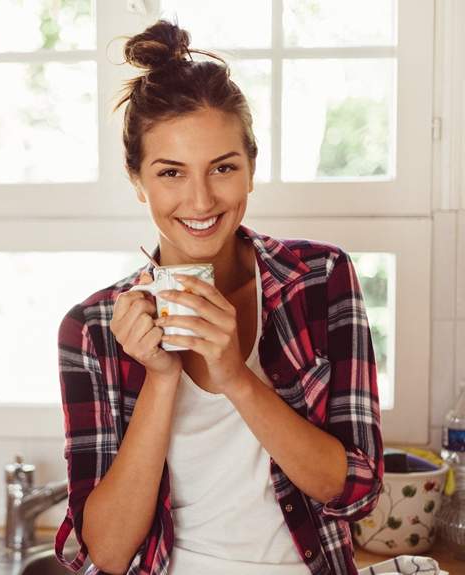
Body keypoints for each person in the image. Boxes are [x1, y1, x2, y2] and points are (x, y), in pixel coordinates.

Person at [53, 19, 384, 575]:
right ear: (137, 180)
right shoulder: (91, 330)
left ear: (252, 167)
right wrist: (161, 378)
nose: (200, 199)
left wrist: (236, 378)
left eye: (223, 168)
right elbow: (105, 554)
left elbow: (357, 492)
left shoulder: (321, 279)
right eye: (171, 173)